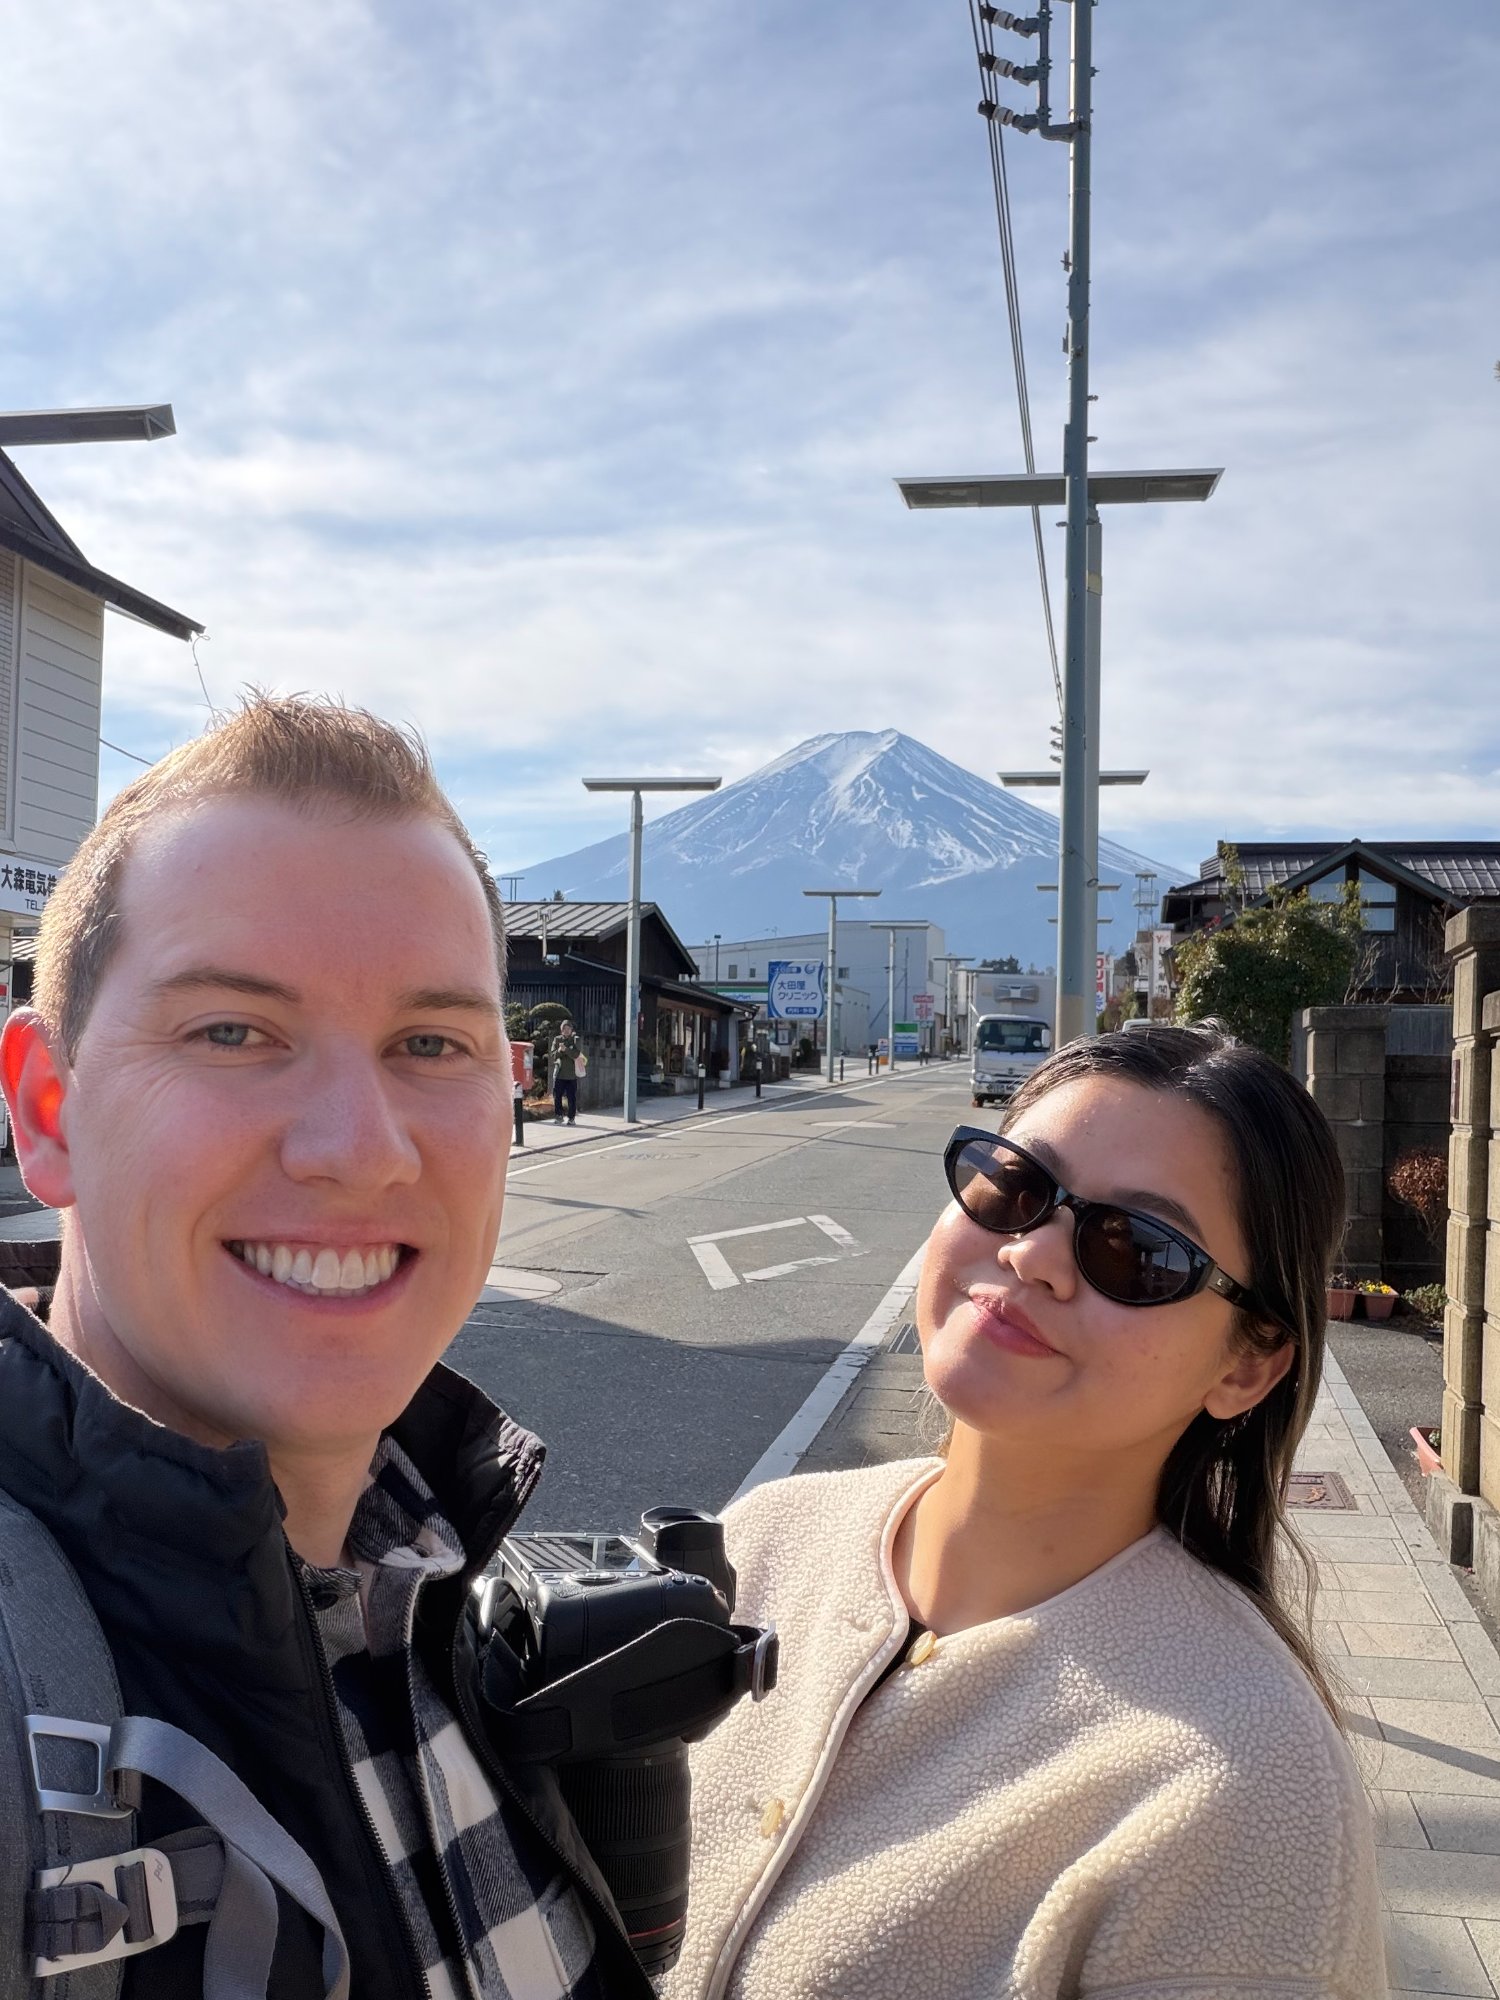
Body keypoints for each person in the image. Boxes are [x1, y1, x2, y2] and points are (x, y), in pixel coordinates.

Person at [0, 695, 655, 1999]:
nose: (361, 1148)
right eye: (233, 1033)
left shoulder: (446, 1616)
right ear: (49, 1113)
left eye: (431, 1044)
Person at [664, 1024, 1387, 2000]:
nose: (1034, 1253)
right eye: (1015, 1186)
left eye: (1138, 1250)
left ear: (1246, 1362)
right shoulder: (764, 1537)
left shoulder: (1244, 1785)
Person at [551, 1021, 582, 1124]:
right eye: (564, 1029)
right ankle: (559, 1116)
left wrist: (566, 1050)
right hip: (560, 1074)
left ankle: (571, 1118)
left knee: (571, 1098)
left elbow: (576, 1054)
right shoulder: (557, 1039)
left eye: (568, 1029)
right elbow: (553, 1055)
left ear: (571, 1030)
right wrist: (560, 1050)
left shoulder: (575, 1040)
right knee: (557, 1096)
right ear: (561, 1030)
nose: (566, 1031)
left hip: (572, 1075)